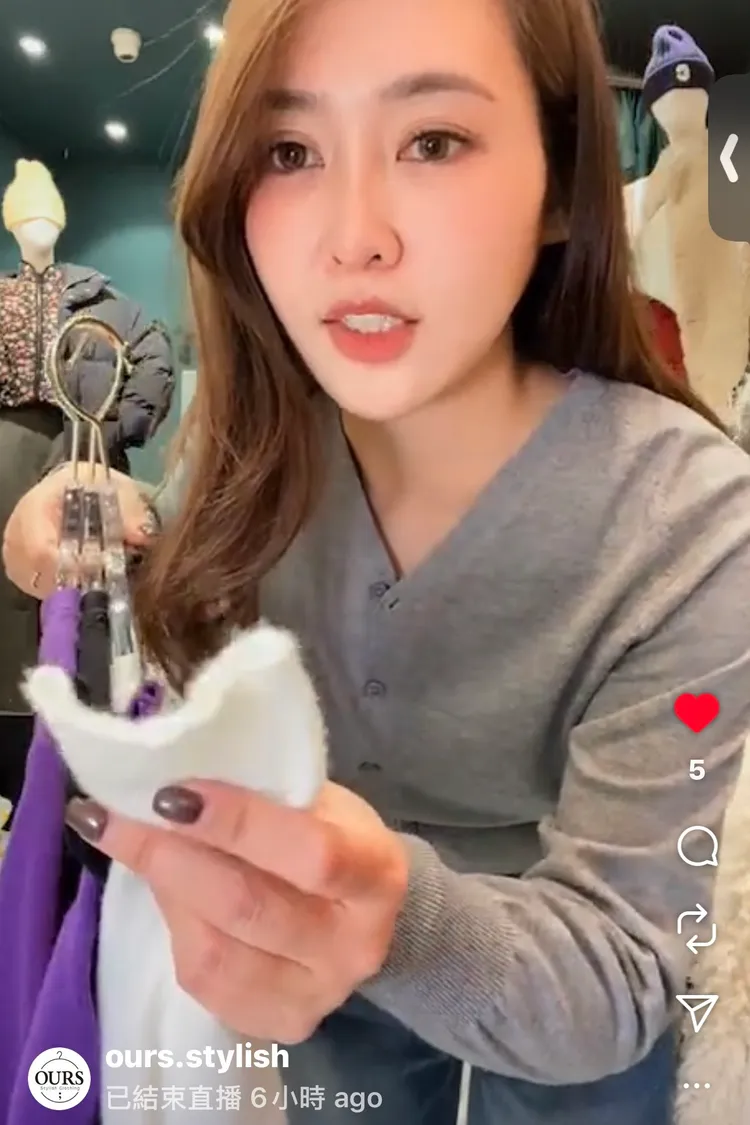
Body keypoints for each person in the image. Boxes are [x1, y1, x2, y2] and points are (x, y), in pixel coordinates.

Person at [4, 0, 750, 1121]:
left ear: (558, 183)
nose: (353, 237)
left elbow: (626, 969)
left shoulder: (690, 521)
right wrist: (91, 533)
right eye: (288, 151)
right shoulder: (248, 456)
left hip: (573, 1037)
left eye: (433, 141)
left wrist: (389, 918)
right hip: (328, 1038)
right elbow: (187, 588)